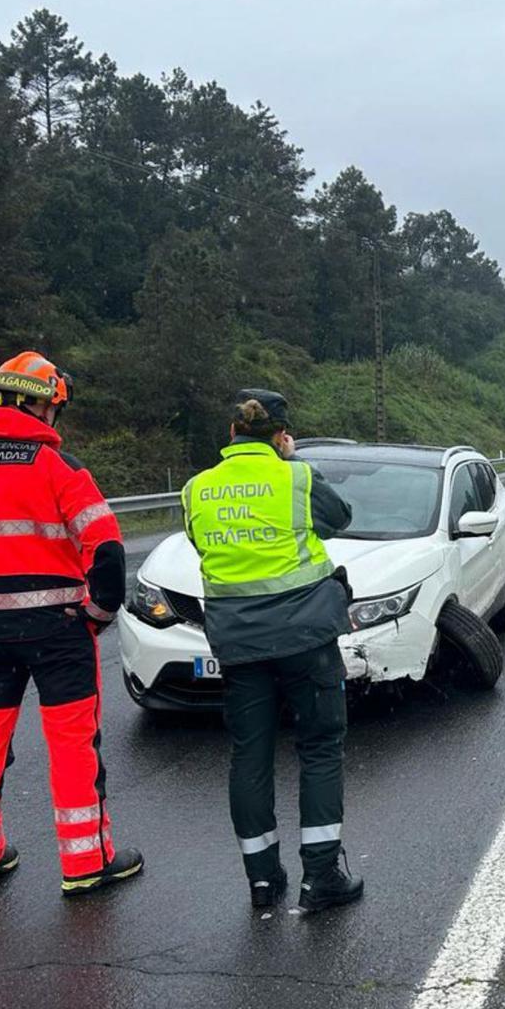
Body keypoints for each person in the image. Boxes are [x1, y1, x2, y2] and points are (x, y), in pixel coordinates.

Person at [182, 389, 360, 913]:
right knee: (321, 749)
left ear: (231, 433)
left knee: (250, 758)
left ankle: (263, 881)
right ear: (281, 435)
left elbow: (202, 545)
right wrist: (292, 460)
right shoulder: (297, 477)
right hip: (307, 639)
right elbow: (340, 517)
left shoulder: (197, 490)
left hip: (239, 645)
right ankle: (321, 877)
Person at [0, 351, 143, 895]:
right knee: (72, 746)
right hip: (58, 632)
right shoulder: (60, 467)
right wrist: (96, 615)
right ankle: (85, 864)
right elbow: (105, 550)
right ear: (42, 404)